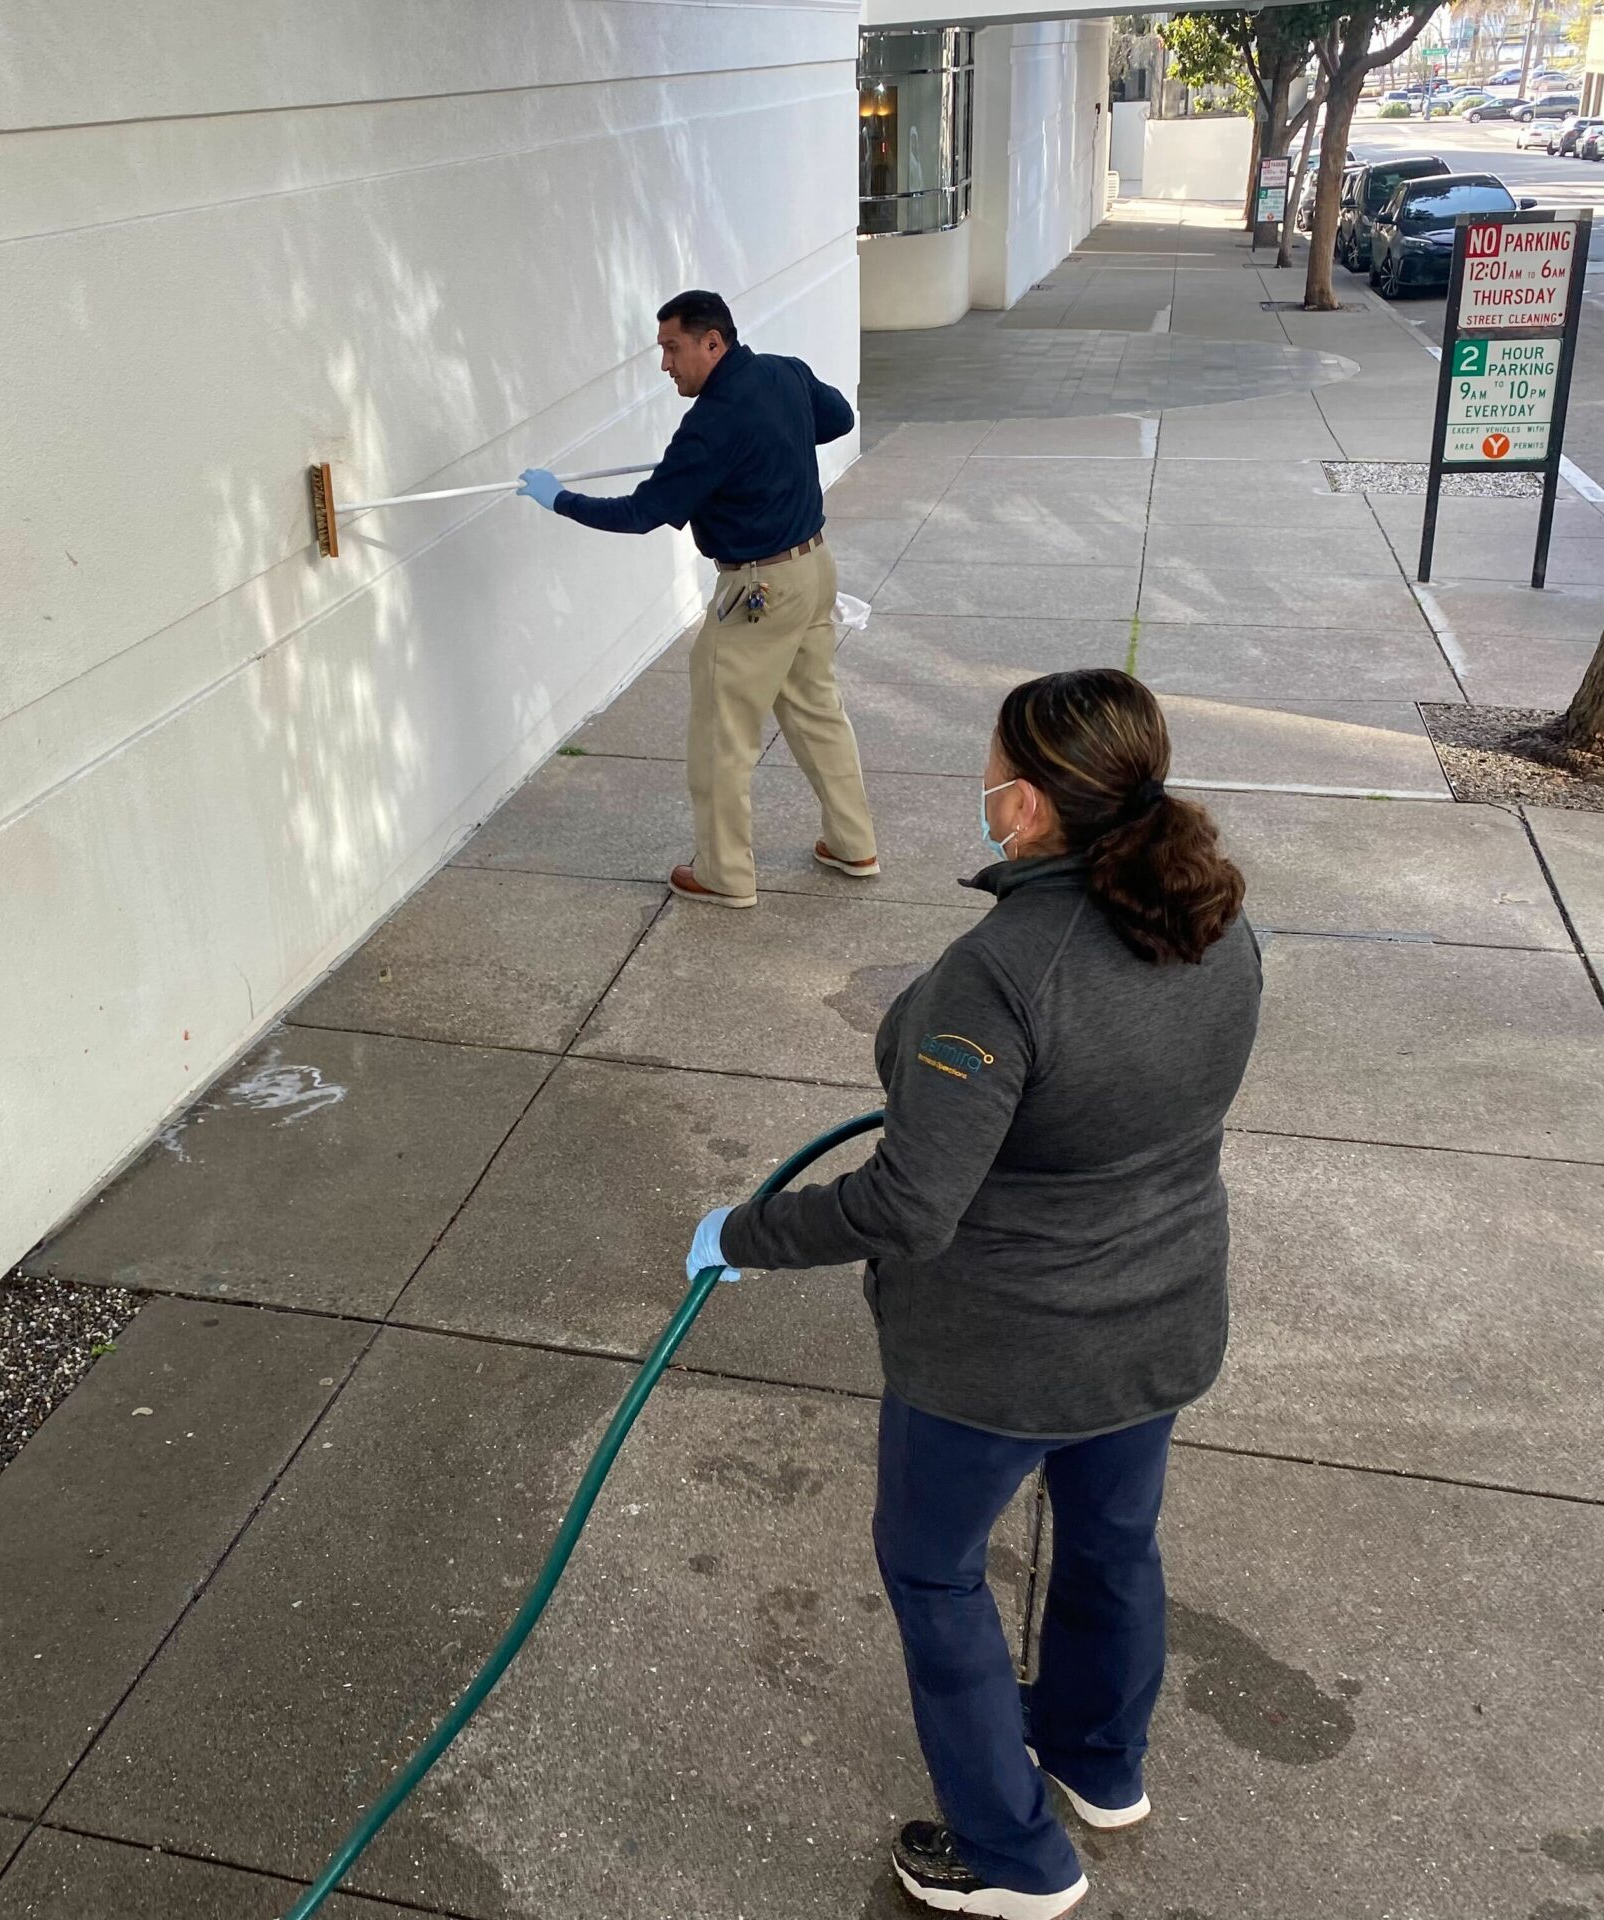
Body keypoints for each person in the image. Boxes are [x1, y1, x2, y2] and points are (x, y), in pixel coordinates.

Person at [686, 669, 1262, 1920]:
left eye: (993, 767)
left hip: (1002, 1357)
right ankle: (1099, 1767)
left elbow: (906, 1203)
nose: (981, 786)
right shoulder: (1213, 920)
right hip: (1160, 1318)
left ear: (1032, 807)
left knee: (936, 1570)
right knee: (1112, 1539)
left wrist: (743, 1231)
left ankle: (1012, 1859)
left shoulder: (999, 972)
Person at [518, 290, 878, 908]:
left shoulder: (711, 423)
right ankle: (854, 844)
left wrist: (560, 501)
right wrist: (771, 444)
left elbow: (643, 513)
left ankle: (723, 874)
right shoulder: (783, 373)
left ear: (713, 342)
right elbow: (839, 418)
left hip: (758, 589)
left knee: (721, 735)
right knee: (818, 711)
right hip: (814, 569)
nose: (665, 365)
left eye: (672, 348)